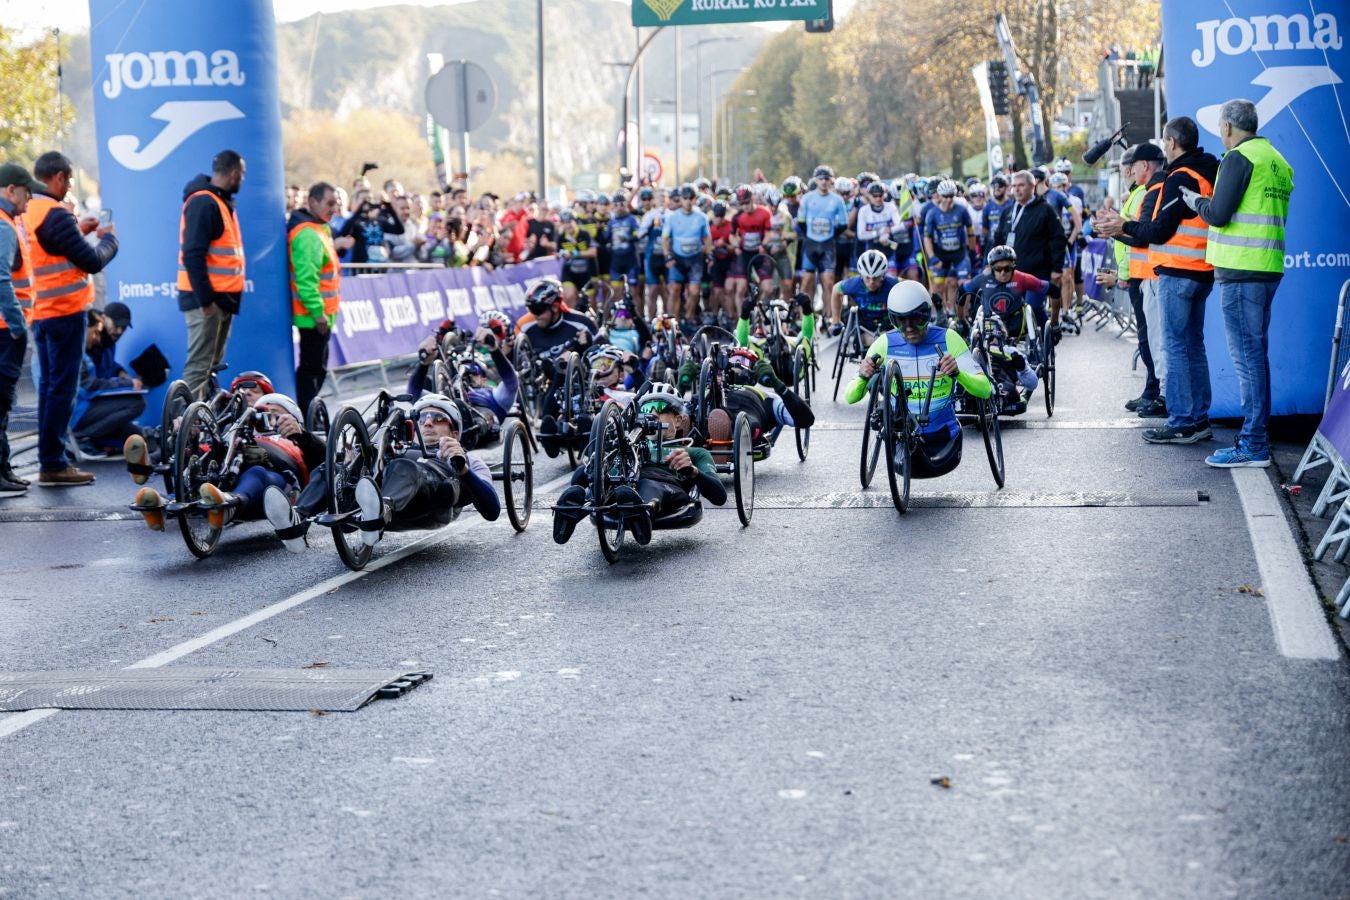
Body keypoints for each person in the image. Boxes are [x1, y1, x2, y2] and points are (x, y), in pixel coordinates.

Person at [1096, 118, 1220, 445]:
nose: (1164, 148)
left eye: (1165, 142)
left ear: (1172, 143)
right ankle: (1199, 419)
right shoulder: (1208, 171)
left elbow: (1159, 231)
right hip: (1201, 269)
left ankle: (1182, 421)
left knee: (1176, 347)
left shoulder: (1181, 176)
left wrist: (1123, 226)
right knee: (1193, 346)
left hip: (1177, 271)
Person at [1185, 98, 1294, 468]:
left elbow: (1218, 214)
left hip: (1241, 272)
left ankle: (1253, 445)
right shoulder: (1276, 161)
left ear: (1228, 128)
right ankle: (1255, 439)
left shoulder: (1238, 158)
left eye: (1220, 125)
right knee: (1255, 356)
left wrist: (1197, 202)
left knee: (1248, 359)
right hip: (1266, 268)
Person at [266, 393, 499, 552]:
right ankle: (297, 521)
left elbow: (492, 510)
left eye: (438, 418)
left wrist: (463, 469)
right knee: (331, 468)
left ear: (454, 432)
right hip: (384, 502)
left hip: (435, 501)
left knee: (404, 467)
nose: (428, 423)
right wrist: (351, 467)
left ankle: (378, 512)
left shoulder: (466, 457)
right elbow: (326, 463)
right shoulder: (397, 449)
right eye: (421, 418)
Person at [23, 152, 119, 486]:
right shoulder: (55, 213)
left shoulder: (29, 211)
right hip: (65, 313)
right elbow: (92, 260)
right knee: (62, 390)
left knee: (50, 389)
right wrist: (110, 240)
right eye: (70, 180)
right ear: (60, 178)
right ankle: (53, 463)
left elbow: (49, 247)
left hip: (41, 313)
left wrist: (78, 228)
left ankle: (50, 459)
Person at [844, 281, 992, 479]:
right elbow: (850, 397)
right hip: (902, 439)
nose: (909, 328)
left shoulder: (950, 339)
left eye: (916, 320)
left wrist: (958, 374)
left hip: (944, 437)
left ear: (927, 314)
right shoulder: (884, 344)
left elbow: (985, 390)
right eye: (900, 322)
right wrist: (863, 376)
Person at [551, 386, 727, 547]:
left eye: (659, 407)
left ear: (678, 419)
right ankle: (572, 511)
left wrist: (693, 472)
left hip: (665, 487)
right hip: (622, 486)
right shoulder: (629, 446)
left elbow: (719, 496)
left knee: (647, 485)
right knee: (586, 472)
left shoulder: (694, 452)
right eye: (645, 409)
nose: (652, 413)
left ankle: (642, 513)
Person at [131, 390, 324, 532]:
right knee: (204, 463)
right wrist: (189, 436)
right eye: (261, 414)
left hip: (281, 485)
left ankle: (229, 505)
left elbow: (326, 462)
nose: (266, 418)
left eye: (275, 414)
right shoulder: (240, 438)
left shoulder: (297, 440)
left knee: (257, 473)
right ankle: (159, 496)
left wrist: (302, 435)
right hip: (233, 475)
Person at [178, 149, 245, 400]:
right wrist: (206, 301)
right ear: (234, 173)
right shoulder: (205, 202)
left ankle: (199, 424)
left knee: (209, 368)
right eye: (242, 175)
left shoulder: (219, 201)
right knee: (199, 367)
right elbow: (193, 254)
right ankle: (185, 429)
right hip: (207, 301)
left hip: (220, 300)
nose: (242, 180)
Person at [289, 182, 355, 416]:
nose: (334, 209)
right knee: (312, 368)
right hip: (313, 317)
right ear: (313, 202)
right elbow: (306, 280)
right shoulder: (307, 234)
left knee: (317, 367)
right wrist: (318, 313)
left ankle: (311, 411)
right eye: (329, 203)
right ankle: (308, 414)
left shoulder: (318, 229)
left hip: (321, 315)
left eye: (336, 203)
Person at [0, 162, 36, 494]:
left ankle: (4, 468)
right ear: (11, 190)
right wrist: (16, 324)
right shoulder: (4, 226)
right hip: (5, 329)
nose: (29, 200)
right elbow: (1, 280)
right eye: (26, 193)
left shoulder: (9, 222)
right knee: (1, 401)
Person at [992, 170, 1065, 332]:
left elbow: (1058, 239)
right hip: (1011, 273)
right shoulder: (1009, 211)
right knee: (1009, 310)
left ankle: (1050, 332)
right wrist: (989, 264)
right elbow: (997, 239)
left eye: (1021, 185)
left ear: (1032, 186)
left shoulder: (1045, 209)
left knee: (1032, 307)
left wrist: (1057, 269)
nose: (1016, 190)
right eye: (1014, 186)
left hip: (1037, 271)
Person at [73, 309, 145, 456]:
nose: (119, 331)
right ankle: (81, 436)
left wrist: (120, 373)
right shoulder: (78, 350)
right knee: (136, 403)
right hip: (80, 408)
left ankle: (98, 439)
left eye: (123, 328)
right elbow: (90, 386)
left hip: (93, 402)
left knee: (138, 439)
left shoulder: (106, 344)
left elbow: (106, 370)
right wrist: (125, 384)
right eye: (95, 333)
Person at [798, 166, 849, 325]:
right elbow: (801, 222)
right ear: (815, 180)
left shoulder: (837, 200)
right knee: (806, 281)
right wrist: (812, 236)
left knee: (828, 282)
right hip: (811, 244)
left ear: (831, 181)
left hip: (827, 246)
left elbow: (843, 224)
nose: (824, 182)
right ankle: (803, 317)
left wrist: (829, 236)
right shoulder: (807, 198)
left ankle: (830, 316)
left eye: (827, 179)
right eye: (821, 178)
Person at [923, 179, 979, 322]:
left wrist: (972, 251)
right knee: (937, 286)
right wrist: (932, 257)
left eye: (951, 196)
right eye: (945, 196)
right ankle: (937, 315)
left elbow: (971, 231)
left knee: (963, 284)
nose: (948, 200)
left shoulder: (962, 210)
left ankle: (962, 317)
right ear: (939, 195)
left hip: (959, 253)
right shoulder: (932, 213)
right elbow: (927, 238)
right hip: (941, 253)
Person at [661, 185, 712, 330]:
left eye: (691, 198)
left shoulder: (701, 217)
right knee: (674, 290)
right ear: (681, 199)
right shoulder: (672, 217)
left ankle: (688, 319)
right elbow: (665, 238)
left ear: (695, 199)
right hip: (677, 258)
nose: (688, 202)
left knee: (695, 291)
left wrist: (709, 254)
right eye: (685, 199)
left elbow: (707, 238)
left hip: (695, 259)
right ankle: (673, 324)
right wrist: (667, 256)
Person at [832, 249, 897, 345]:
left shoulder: (893, 283)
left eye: (875, 278)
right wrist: (836, 321)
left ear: (882, 275)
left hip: (888, 325)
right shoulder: (854, 284)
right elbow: (836, 290)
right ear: (861, 275)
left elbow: (911, 288)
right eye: (867, 277)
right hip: (864, 326)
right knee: (863, 342)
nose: (871, 282)